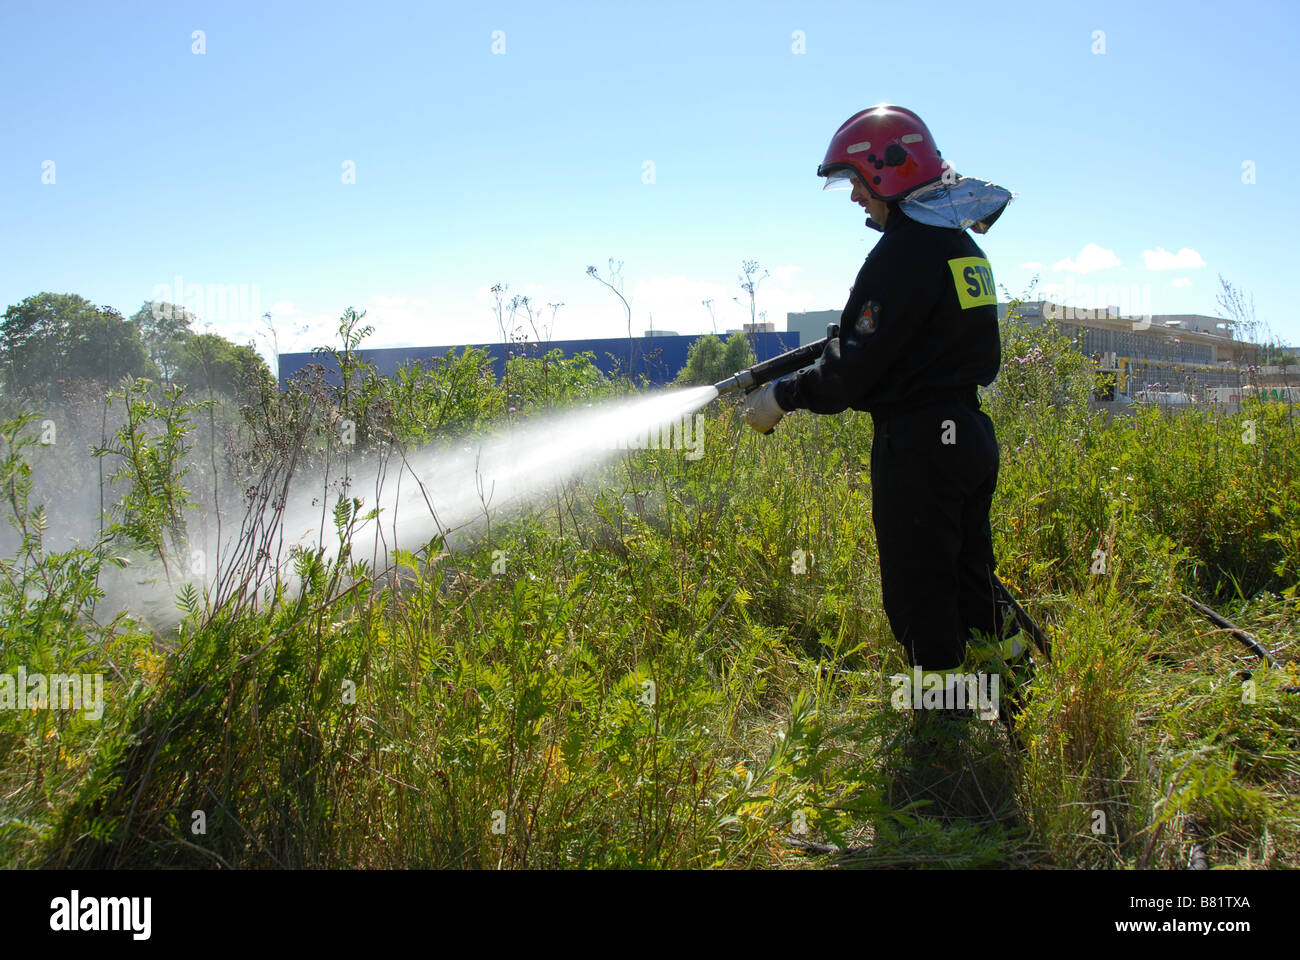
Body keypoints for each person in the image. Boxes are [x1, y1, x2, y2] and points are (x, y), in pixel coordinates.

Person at [742, 104, 1032, 728]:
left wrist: (783, 397)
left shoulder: (903, 252)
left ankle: (941, 732)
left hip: (920, 444)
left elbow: (854, 369)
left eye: (855, 182)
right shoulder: (960, 246)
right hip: (969, 435)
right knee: (969, 570)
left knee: (920, 586)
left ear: (887, 172)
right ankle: (1012, 693)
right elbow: (905, 341)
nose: (853, 199)